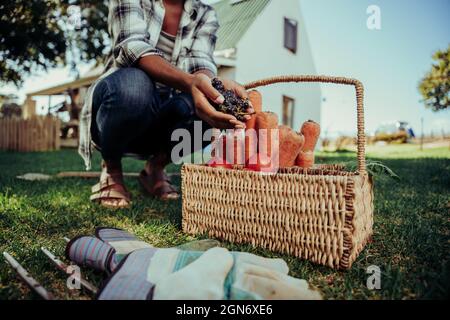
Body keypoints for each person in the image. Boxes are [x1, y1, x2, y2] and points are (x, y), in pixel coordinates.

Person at [78, 0, 253, 208]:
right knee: (136, 85)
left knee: (213, 101)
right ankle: (112, 167)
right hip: (122, 106)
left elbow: (201, 63)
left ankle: (156, 166)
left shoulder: (205, 14)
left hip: (165, 117)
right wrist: (190, 82)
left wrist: (210, 87)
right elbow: (132, 46)